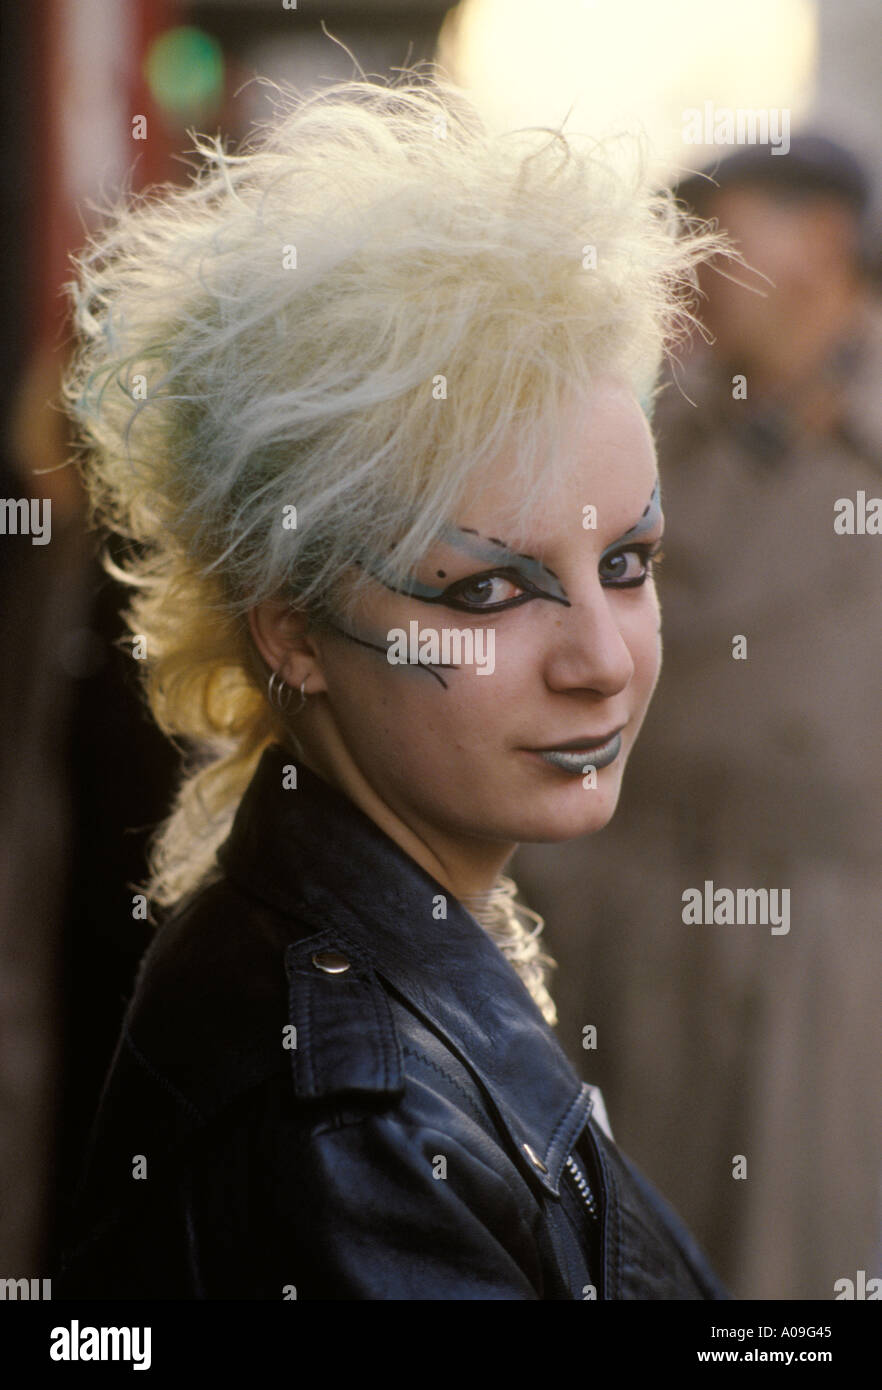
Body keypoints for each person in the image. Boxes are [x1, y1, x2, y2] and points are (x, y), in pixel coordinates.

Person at [53, 72, 732, 1300]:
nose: (603, 659)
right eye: (486, 591)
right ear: (293, 630)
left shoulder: (399, 947)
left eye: (626, 563)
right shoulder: (347, 1133)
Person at [514, 134, 882, 1298]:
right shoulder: (654, 433)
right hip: (638, 924)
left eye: (731, 234)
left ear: (826, 240)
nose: (702, 267)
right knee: (628, 1252)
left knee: (797, 1269)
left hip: (837, 941)